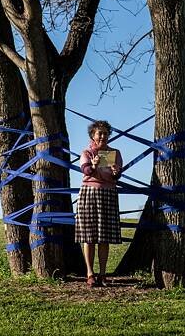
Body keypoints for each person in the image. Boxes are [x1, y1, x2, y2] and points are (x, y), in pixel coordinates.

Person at [76, 120, 123, 288]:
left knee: (105, 237)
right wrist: (93, 166)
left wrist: (116, 172)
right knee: (89, 236)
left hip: (108, 194)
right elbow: (86, 170)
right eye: (99, 133)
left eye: (105, 133)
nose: (102, 136)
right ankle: (90, 274)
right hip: (89, 194)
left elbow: (116, 175)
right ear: (93, 135)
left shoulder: (114, 153)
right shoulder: (87, 152)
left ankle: (103, 274)